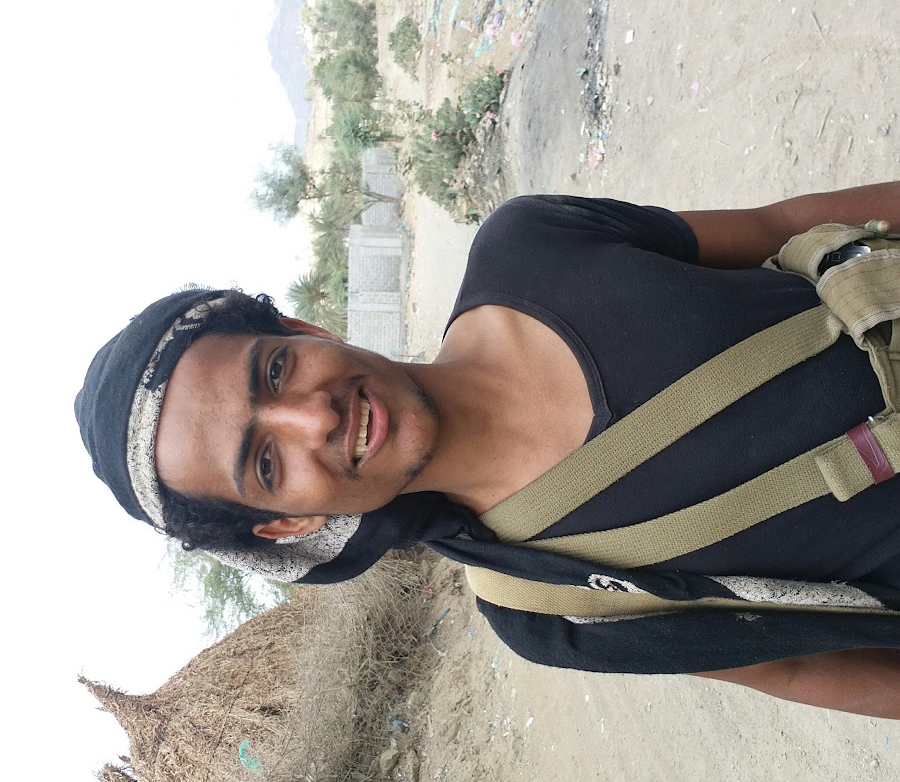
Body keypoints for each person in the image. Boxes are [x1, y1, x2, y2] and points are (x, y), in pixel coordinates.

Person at [76, 182, 900, 718]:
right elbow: (794, 667)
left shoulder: (531, 245)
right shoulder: (540, 605)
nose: (311, 418)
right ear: (287, 525)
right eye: (265, 462)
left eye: (275, 371)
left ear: (301, 328)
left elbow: (777, 227)